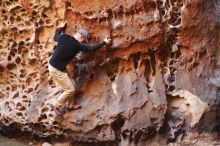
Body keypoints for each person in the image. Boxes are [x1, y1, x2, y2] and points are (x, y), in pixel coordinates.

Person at [48, 22, 111, 115]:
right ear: (81, 37)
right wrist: (104, 42)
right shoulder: (77, 45)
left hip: (56, 66)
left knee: (72, 84)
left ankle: (70, 105)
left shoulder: (64, 37)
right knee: (70, 89)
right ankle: (56, 105)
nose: (82, 42)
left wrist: (61, 28)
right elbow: (91, 48)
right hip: (56, 69)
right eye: (83, 40)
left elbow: (55, 36)